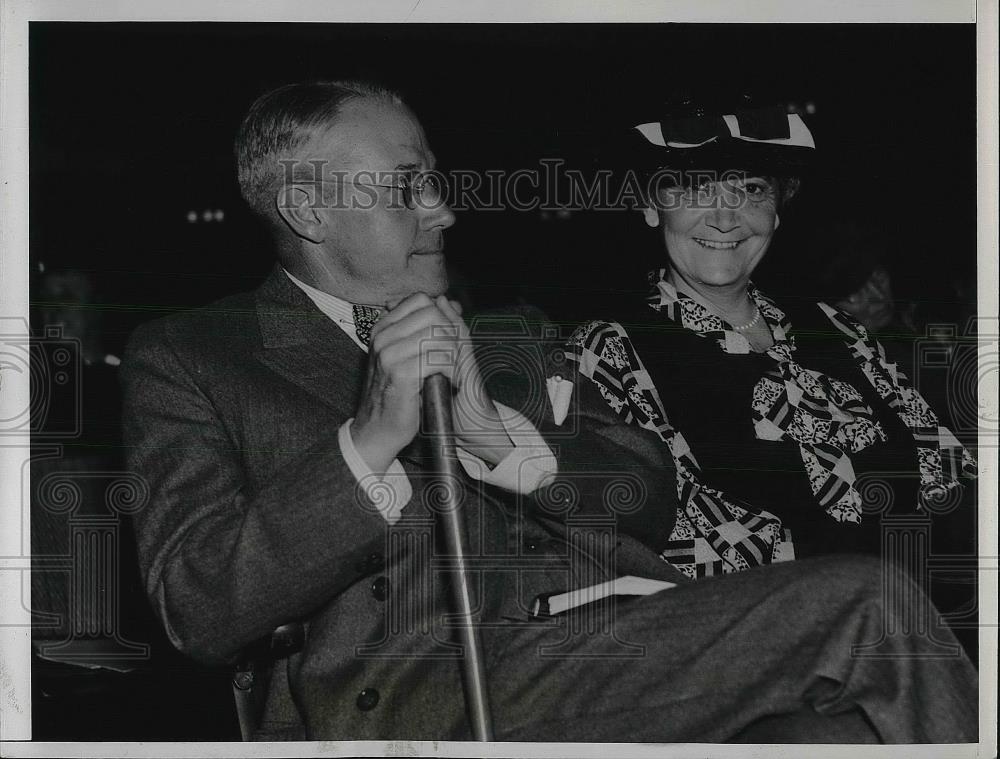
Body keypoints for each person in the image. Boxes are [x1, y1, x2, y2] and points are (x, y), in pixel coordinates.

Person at [121, 81, 978, 743]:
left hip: (631, 632)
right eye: (407, 186)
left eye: (437, 183)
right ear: (309, 209)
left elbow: (652, 493)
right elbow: (199, 606)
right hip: (436, 678)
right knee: (871, 599)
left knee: (838, 732)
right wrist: (371, 438)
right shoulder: (196, 356)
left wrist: (496, 435)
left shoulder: (510, 331)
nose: (444, 209)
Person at [566, 97, 977, 590]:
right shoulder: (612, 349)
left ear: (778, 212)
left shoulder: (835, 327)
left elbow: (950, 470)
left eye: (751, 190)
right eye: (696, 188)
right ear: (651, 208)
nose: (725, 217)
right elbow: (683, 543)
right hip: (787, 633)